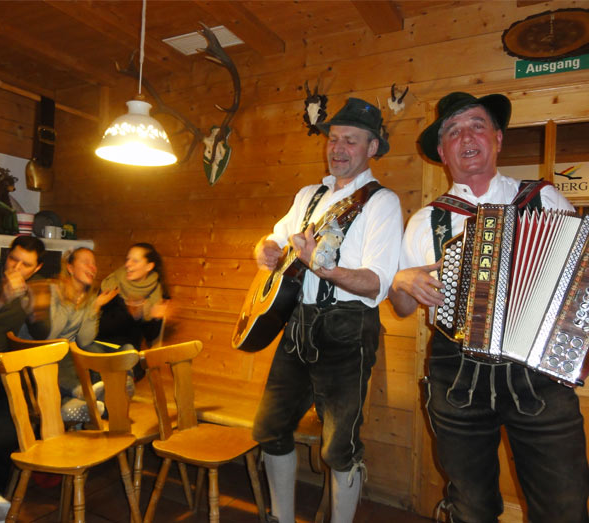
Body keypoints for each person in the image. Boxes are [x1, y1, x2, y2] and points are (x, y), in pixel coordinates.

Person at [388, 91, 589, 522]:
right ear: (442, 151)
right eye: (454, 131)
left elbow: (581, 278)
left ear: (497, 139)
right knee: (471, 507)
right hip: (456, 374)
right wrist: (401, 281)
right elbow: (403, 307)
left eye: (477, 125)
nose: (467, 137)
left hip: (539, 375)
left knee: (565, 506)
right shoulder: (427, 219)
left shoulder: (543, 199)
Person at [251, 98, 403, 523]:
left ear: (372, 148)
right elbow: (276, 239)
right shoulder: (307, 196)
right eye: (334, 139)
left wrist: (323, 264)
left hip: (348, 330)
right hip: (298, 325)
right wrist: (263, 249)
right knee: (269, 429)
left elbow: (376, 282)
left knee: (339, 449)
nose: (338, 148)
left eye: (351, 140)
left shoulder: (382, 203)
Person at [0, 236, 46, 521]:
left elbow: (42, 335)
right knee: (11, 397)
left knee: (18, 400)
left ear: (36, 269)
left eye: (26, 265)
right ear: (7, 255)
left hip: (1, 362)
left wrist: (34, 311)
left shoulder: (29, 289)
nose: (16, 267)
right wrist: (1, 299)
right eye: (14, 259)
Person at [27, 247, 119, 422]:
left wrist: (95, 307)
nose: (92, 267)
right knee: (61, 351)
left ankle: (72, 407)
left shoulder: (88, 297)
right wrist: (68, 302)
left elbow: (85, 340)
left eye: (94, 264)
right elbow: (49, 336)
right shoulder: (52, 289)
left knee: (83, 350)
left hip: (66, 356)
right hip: (38, 350)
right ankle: (85, 392)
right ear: (70, 268)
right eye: (86, 262)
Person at [97, 243, 169, 357]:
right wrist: (96, 305)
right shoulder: (112, 284)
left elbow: (151, 337)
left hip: (127, 353)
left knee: (128, 351)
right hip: (98, 347)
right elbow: (97, 327)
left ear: (149, 267)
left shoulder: (154, 294)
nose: (127, 264)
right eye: (127, 259)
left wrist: (155, 319)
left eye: (135, 261)